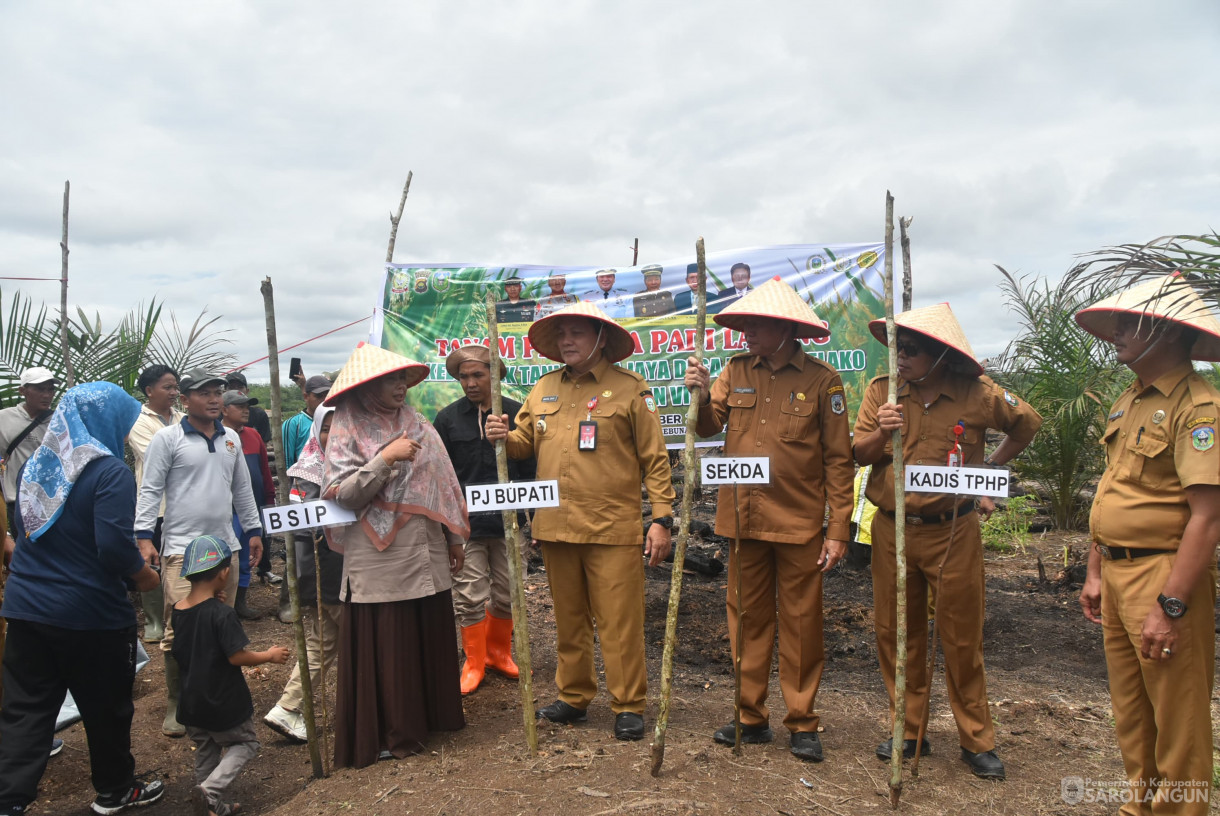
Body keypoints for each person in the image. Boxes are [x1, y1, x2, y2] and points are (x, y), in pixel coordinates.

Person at [853, 303, 1041, 780]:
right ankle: (908, 729)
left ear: (940, 354)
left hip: (954, 531)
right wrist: (883, 430)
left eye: (911, 350)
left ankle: (976, 739)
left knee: (961, 636)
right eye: (897, 348)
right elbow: (857, 453)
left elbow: (1028, 423)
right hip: (892, 530)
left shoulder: (977, 394)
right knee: (898, 633)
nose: (900, 358)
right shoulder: (883, 393)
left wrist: (987, 471)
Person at [486, 301, 674, 742]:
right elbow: (522, 445)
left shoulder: (630, 389)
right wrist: (502, 434)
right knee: (569, 618)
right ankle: (573, 697)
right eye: (563, 335)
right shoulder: (544, 388)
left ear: (600, 338)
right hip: (555, 525)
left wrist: (661, 518)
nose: (568, 341)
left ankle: (628, 704)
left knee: (618, 621)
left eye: (577, 334)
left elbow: (656, 460)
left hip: (611, 526)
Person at [683, 277, 852, 762]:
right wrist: (696, 396)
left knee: (801, 623)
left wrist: (838, 529)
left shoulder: (823, 381)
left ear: (783, 329)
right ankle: (749, 716)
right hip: (743, 518)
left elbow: (840, 461)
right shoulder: (734, 372)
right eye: (744, 326)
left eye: (755, 326)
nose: (746, 334)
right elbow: (708, 425)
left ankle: (801, 720)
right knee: (746, 620)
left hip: (799, 522)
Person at [1075, 275, 1220, 814]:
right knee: (1133, 714)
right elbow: (1114, 486)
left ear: (1167, 331)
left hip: (1162, 577)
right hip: (1116, 574)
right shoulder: (1129, 400)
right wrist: (1095, 568)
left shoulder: (1199, 408)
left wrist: (1172, 604)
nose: (1115, 332)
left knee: (1177, 721)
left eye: (1128, 324)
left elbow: (1207, 517)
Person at [0, 382, 165, 816]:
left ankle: (8, 800)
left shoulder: (38, 464)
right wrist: (144, 577)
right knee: (106, 708)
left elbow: (27, 530)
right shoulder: (108, 471)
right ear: (104, 420)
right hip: (88, 614)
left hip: (26, 607)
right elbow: (112, 546)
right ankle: (115, 790)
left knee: (25, 711)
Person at [322, 342, 469, 768]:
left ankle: (430, 719)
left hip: (424, 546)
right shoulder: (347, 427)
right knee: (390, 637)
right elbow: (344, 494)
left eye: (402, 378)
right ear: (366, 386)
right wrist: (385, 458)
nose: (400, 386)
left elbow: (443, 484)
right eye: (389, 379)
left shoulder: (417, 422)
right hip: (377, 554)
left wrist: (454, 539)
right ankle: (392, 730)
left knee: (427, 628)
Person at [134, 367, 264, 738]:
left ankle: (221, 696)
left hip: (225, 546)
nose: (213, 399)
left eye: (217, 392)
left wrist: (253, 530)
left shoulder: (231, 440)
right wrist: (144, 536)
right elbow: (150, 489)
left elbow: (242, 489)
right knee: (181, 627)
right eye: (204, 393)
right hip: (181, 550)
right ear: (185, 398)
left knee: (222, 622)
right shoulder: (168, 438)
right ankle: (179, 701)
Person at [434, 345, 536, 694]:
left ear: (495, 375)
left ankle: (498, 652)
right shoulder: (446, 419)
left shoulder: (516, 413)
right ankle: (473, 661)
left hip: (508, 522)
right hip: (465, 526)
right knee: (468, 594)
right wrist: (446, 525)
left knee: (509, 592)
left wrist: (533, 519)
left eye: (478, 375)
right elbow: (442, 476)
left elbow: (530, 470)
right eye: (464, 376)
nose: (471, 382)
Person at [172, 535, 289, 816]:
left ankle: (210, 805)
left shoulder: (178, 610)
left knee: (206, 749)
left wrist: (213, 600)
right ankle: (210, 791)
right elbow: (236, 655)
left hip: (190, 701)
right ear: (224, 572)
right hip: (221, 701)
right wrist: (268, 656)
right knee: (247, 743)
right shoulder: (222, 614)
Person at [263, 405, 341, 742]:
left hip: (327, 570)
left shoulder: (347, 464)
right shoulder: (309, 471)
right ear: (316, 431)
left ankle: (287, 707)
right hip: (326, 572)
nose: (335, 436)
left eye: (343, 428)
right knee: (348, 638)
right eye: (327, 429)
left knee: (321, 643)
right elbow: (303, 528)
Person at [128, 364, 183, 643]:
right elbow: (155, 457)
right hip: (155, 506)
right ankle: (152, 620)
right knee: (153, 561)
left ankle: (177, 613)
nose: (174, 392)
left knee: (179, 560)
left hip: (184, 504)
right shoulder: (137, 421)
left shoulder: (183, 418)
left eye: (175, 387)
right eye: (168, 387)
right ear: (149, 391)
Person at [221, 390, 278, 616]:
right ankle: (223, 603)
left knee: (246, 556)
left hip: (253, 507)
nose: (246, 410)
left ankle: (240, 603)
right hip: (227, 510)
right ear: (224, 409)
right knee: (227, 557)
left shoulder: (254, 435)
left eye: (247, 405)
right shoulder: (218, 437)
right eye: (239, 405)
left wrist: (269, 499)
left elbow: (265, 470)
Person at [0, 367, 58, 535]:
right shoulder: (4, 418)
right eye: (40, 389)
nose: (47, 395)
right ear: (22, 391)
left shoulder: (58, 421)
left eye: (50, 389)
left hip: (50, 502)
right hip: (15, 499)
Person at [281, 375, 331, 469]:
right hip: (304, 478)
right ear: (306, 397)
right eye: (319, 396)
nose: (324, 400)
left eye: (327, 395)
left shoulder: (336, 421)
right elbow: (288, 459)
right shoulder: (293, 424)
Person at [224, 372, 271, 443]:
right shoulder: (214, 418)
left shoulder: (259, 415)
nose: (236, 390)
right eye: (231, 387)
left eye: (240, 387)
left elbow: (262, 447)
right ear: (224, 391)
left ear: (247, 391)